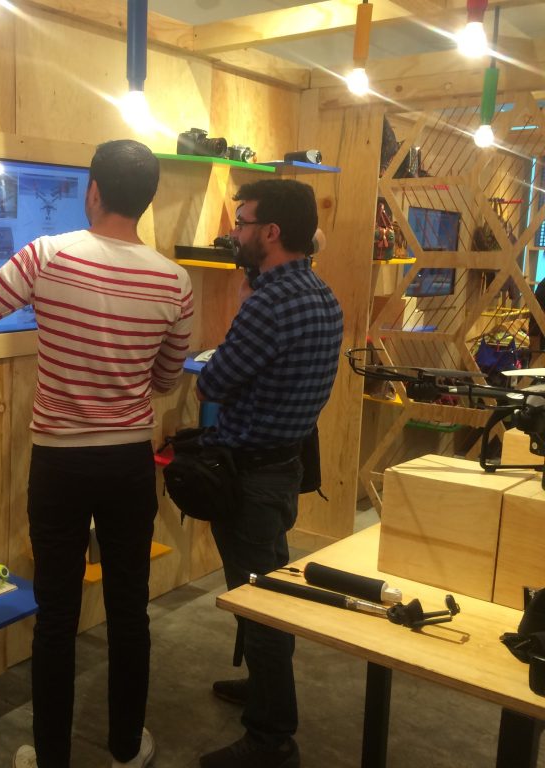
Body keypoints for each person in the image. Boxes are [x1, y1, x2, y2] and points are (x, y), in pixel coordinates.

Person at [0, 139, 194, 768]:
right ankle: (126, 750)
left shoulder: (47, 255)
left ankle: (51, 758)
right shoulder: (175, 281)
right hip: (128, 464)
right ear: (146, 199)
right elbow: (166, 378)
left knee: (55, 614)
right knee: (129, 609)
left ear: (93, 192)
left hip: (60, 465)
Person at [194, 179, 343, 768]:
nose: (235, 232)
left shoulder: (267, 305)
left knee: (262, 603)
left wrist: (242, 301)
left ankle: (271, 736)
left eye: (242, 221)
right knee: (268, 590)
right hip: (283, 468)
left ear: (271, 232)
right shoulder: (321, 296)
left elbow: (212, 382)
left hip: (249, 478)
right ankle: (263, 692)